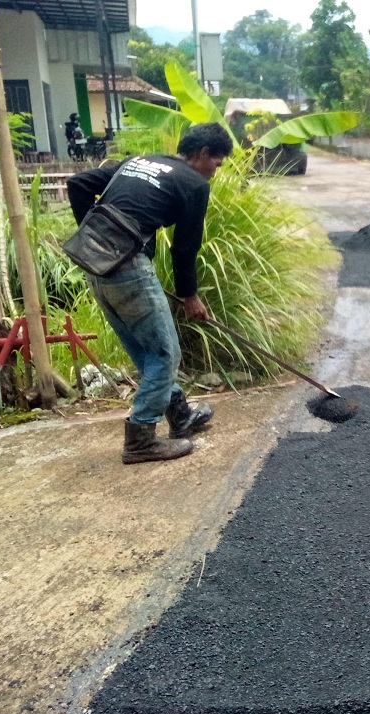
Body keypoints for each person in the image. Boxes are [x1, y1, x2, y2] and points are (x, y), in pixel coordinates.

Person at [67, 122, 234, 464]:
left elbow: (78, 183)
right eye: (216, 164)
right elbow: (185, 249)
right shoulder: (193, 184)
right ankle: (141, 439)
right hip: (128, 269)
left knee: (147, 353)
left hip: (95, 267)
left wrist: (97, 237)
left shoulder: (140, 161)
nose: (214, 173)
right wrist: (190, 296)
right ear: (203, 154)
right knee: (166, 355)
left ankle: (180, 415)